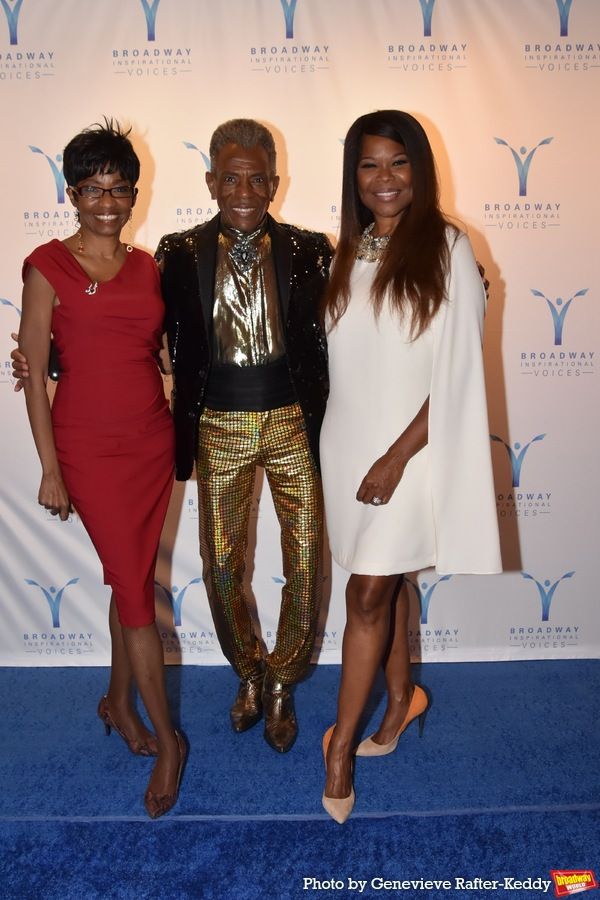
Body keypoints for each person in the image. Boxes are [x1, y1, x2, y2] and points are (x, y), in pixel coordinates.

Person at [319, 110, 502, 823]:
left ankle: (338, 752)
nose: (385, 179)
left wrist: (396, 458)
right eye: (370, 165)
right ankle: (400, 700)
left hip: (407, 453)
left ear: (419, 169)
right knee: (384, 582)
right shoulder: (351, 248)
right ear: (353, 176)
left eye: (398, 163)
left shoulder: (449, 246)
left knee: (366, 594)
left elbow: (456, 376)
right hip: (345, 446)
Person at [17, 121, 185, 819]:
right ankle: (170, 743)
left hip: (151, 442)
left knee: (132, 580)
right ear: (71, 192)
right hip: (87, 448)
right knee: (137, 593)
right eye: (92, 188)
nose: (107, 202)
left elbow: (167, 357)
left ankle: (118, 702)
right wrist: (50, 468)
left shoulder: (150, 268)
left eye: (119, 188)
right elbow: (32, 375)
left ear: (134, 193)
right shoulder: (45, 266)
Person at [157, 119, 332, 753]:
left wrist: (453, 279)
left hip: (291, 419)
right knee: (223, 566)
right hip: (217, 424)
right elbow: (133, 323)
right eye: (231, 178)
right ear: (210, 181)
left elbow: (363, 305)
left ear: (275, 183)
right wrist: (49, 356)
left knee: (306, 559)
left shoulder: (312, 249)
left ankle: (284, 679)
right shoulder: (176, 253)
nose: (245, 190)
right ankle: (249, 671)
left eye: (258, 178)